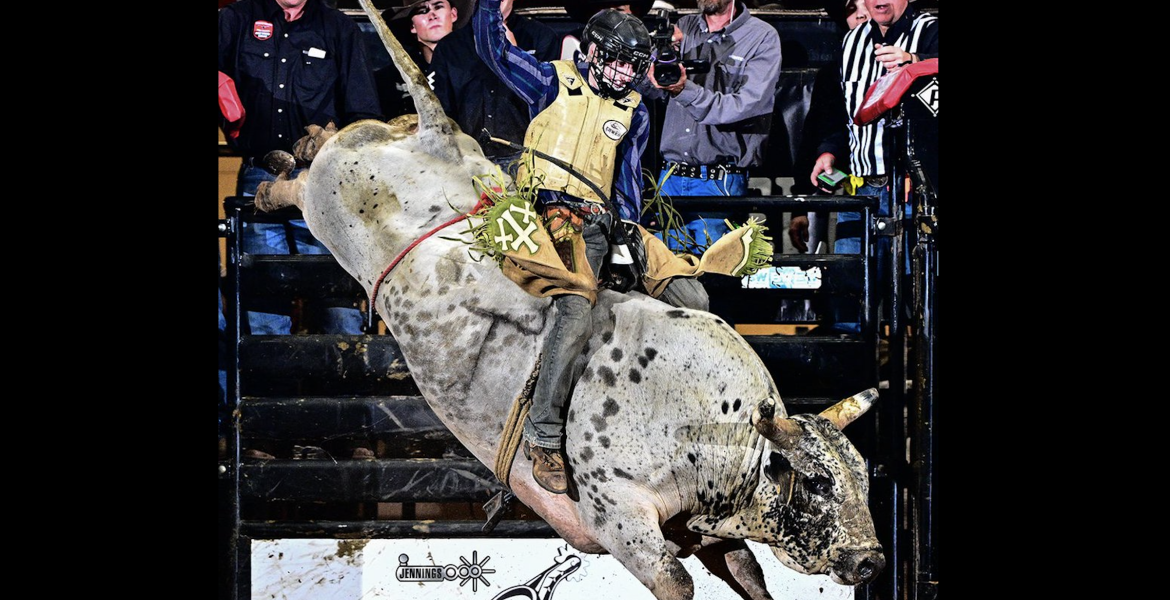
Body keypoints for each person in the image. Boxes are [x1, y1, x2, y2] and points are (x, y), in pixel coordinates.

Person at [474, 0, 708, 494]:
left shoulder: (635, 110)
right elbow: (492, 49)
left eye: (634, 64)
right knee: (577, 308)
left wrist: (626, 231)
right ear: (595, 53)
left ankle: (677, 416)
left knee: (694, 299)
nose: (626, 73)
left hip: (601, 220)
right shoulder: (550, 81)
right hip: (544, 217)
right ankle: (543, 435)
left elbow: (626, 181)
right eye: (618, 60)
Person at [219, 0, 382, 338]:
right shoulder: (236, 19)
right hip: (259, 178)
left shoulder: (339, 28)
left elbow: (364, 111)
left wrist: (344, 151)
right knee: (262, 299)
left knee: (336, 298)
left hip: (323, 181)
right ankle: (267, 387)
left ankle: (344, 383)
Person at [807, 0, 937, 333]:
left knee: (920, 299)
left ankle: (923, 382)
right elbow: (842, 114)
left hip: (914, 194)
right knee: (848, 296)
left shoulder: (929, 29)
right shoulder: (851, 42)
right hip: (861, 192)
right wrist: (829, 152)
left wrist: (915, 62)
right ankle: (855, 382)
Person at [644, 0, 782, 256]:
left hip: (720, 182)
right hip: (669, 179)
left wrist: (684, 90)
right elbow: (652, 89)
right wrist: (657, 54)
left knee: (716, 276)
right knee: (664, 278)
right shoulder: (683, 28)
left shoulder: (761, 36)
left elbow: (743, 106)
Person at [431, 0, 561, 171]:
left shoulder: (541, 36)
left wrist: (515, 54)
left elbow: (551, 105)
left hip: (527, 158)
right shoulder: (450, 46)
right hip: (470, 159)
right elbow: (441, 111)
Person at [787, 0, 870, 254]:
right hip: (849, 196)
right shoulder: (832, 74)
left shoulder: (902, 62)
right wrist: (801, 206)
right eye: (851, 9)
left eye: (867, 5)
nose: (861, 15)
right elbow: (815, 134)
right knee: (850, 276)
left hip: (901, 193)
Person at [374, 0, 470, 120]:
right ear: (412, 26)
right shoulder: (391, 79)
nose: (432, 15)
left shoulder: (478, 68)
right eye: (422, 11)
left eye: (438, 7)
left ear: (453, 14)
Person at [558, 1, 653, 61]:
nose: (613, 17)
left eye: (619, 10)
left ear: (635, 13)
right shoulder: (574, 41)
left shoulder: (651, 45)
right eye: (605, 10)